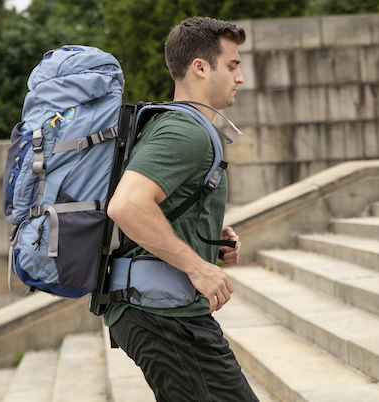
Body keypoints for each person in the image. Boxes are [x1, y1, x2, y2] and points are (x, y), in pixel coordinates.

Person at [105, 16, 259, 402]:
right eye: (233, 65)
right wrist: (197, 266)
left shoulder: (181, 126)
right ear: (200, 67)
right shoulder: (184, 131)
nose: (239, 77)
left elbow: (164, 207)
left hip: (162, 312)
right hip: (163, 318)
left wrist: (208, 239)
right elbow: (126, 206)